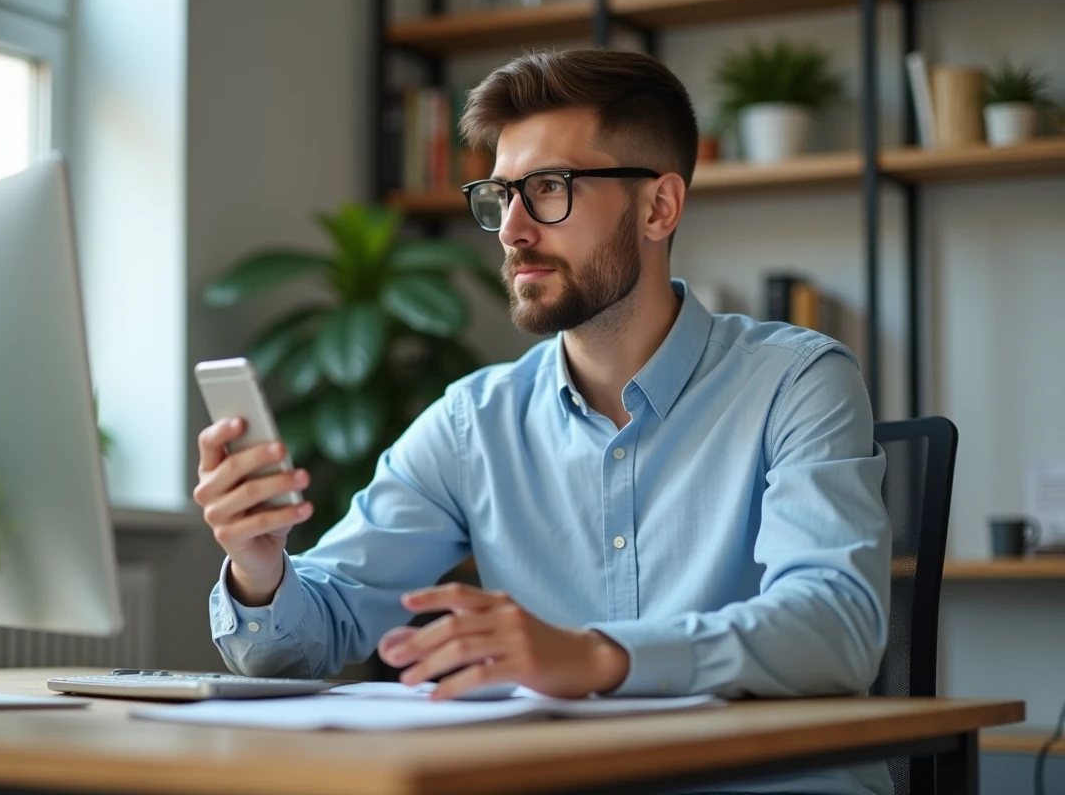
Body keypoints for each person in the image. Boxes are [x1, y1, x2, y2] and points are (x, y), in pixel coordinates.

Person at [196, 48, 891, 795]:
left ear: (659, 207)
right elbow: (310, 635)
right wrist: (261, 570)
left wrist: (598, 657)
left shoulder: (797, 380)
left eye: (550, 189)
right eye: (500, 195)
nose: (512, 230)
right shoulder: (472, 421)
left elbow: (836, 626)